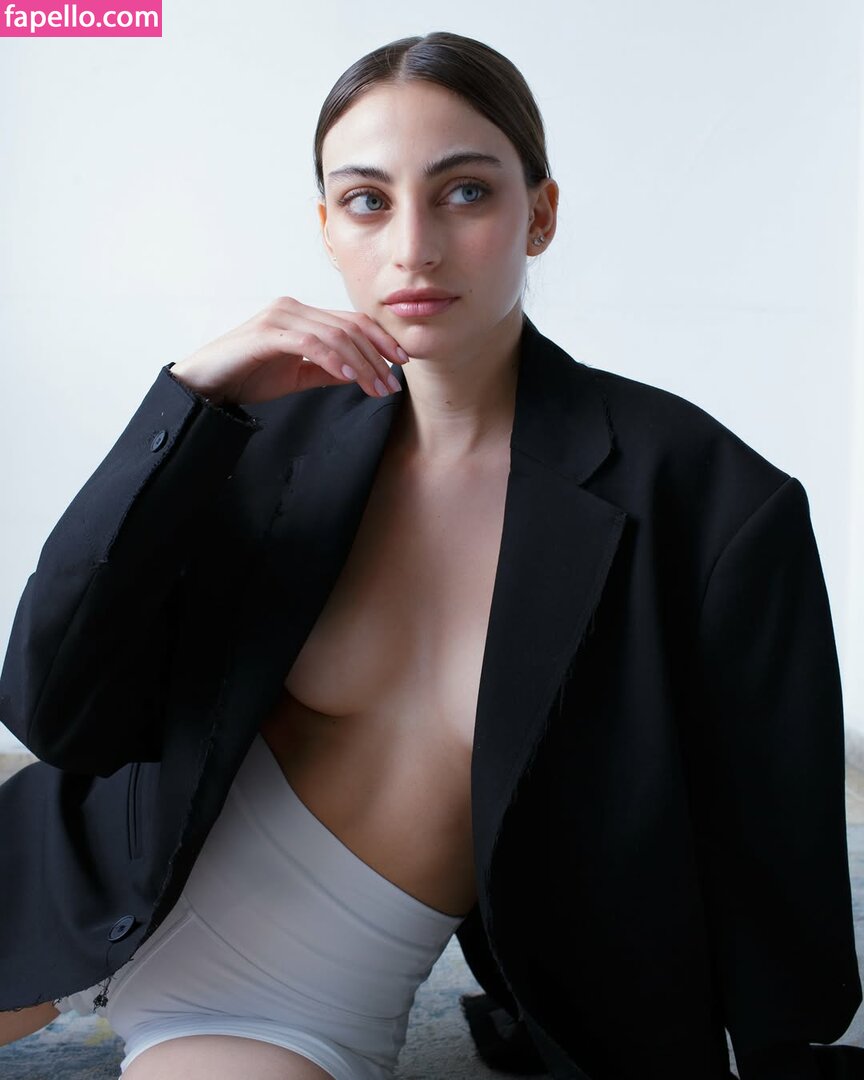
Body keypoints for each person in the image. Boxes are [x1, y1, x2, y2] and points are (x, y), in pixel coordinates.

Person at [0, 28, 861, 1080]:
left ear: (540, 214)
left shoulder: (709, 502)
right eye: (368, 200)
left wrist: (783, 1050)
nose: (414, 246)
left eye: (464, 192)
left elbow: (776, 843)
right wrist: (187, 401)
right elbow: (48, 704)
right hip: (56, 881)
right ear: (327, 228)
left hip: (276, 1007)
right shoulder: (255, 435)